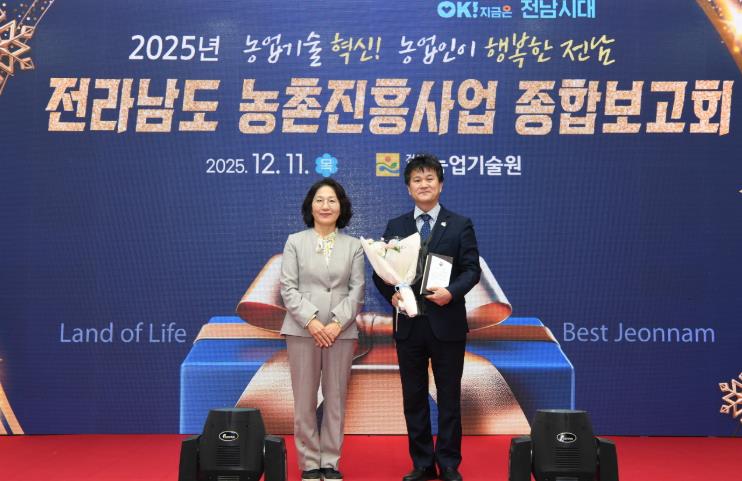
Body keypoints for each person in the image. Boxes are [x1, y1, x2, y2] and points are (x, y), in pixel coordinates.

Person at [373, 154, 481, 481]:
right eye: (417, 180)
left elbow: (471, 270)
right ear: (409, 188)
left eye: (429, 179)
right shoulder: (396, 226)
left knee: (449, 397)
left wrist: (452, 292)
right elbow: (381, 271)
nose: (424, 185)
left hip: (447, 323)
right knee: (414, 398)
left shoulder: (460, 224)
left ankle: (448, 462)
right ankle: (422, 463)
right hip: (409, 326)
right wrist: (391, 295)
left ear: (441, 184)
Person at [279, 178, 365, 481]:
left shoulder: (354, 246)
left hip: (341, 332)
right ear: (310, 206)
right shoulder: (295, 241)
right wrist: (312, 322)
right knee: (304, 400)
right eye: (319, 200)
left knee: (336, 398)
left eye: (332, 200)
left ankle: (330, 460)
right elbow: (288, 288)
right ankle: (309, 463)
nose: (325, 206)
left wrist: (336, 324)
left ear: (341, 207)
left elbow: (357, 291)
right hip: (303, 330)